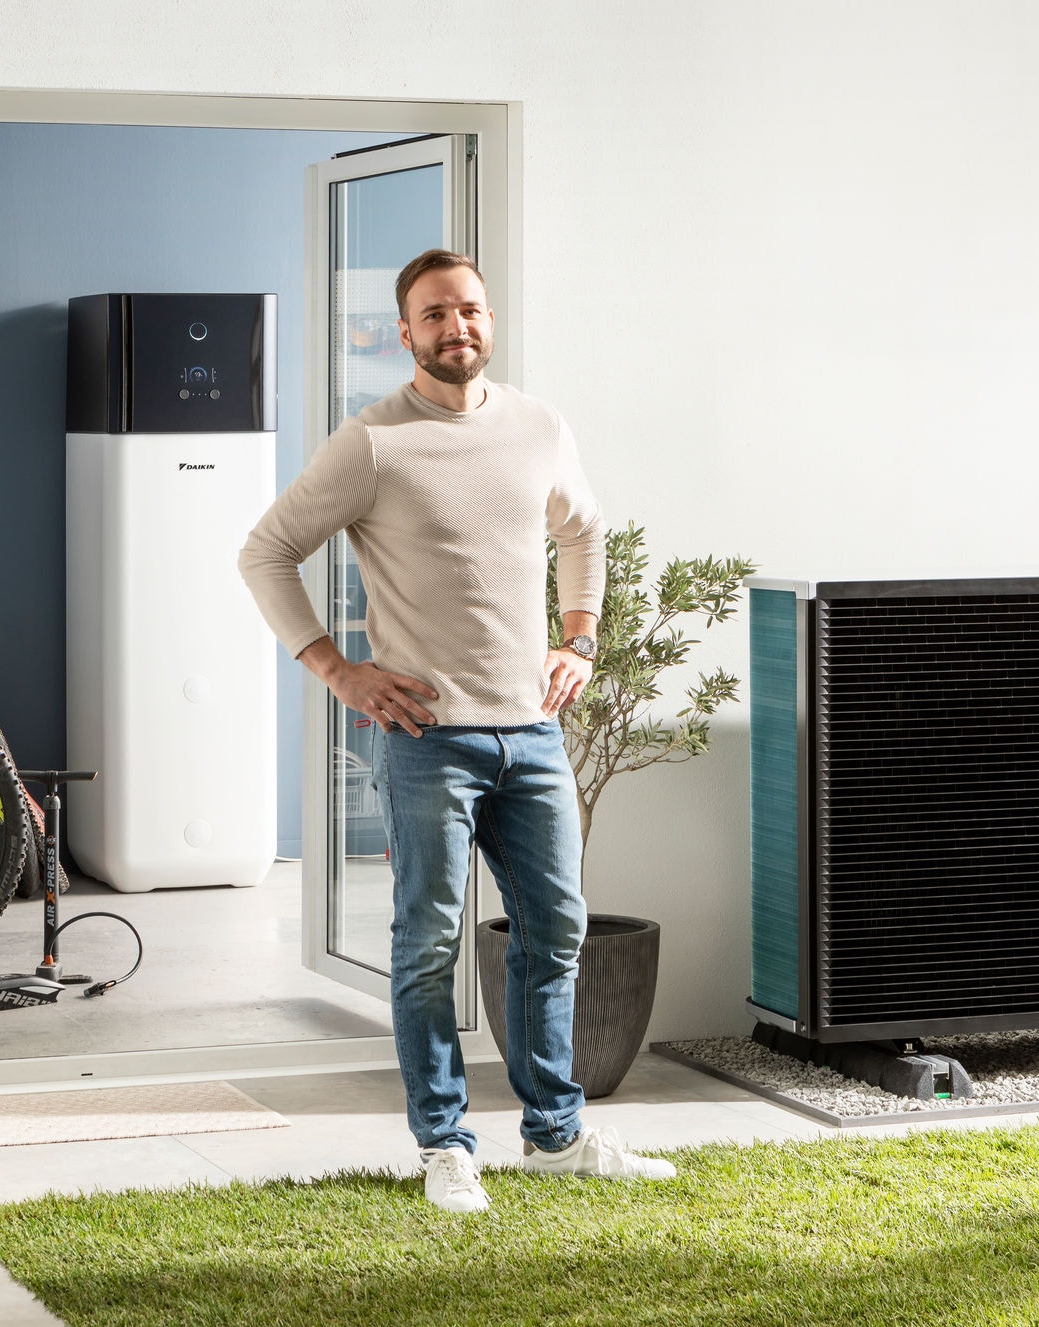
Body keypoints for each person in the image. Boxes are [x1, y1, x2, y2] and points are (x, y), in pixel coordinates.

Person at [237, 249, 677, 1212]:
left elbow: (584, 530)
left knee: (555, 930)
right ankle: (444, 1143)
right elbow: (266, 550)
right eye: (435, 314)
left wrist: (582, 640)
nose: (457, 327)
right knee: (427, 942)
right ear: (407, 332)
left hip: (532, 733)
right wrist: (334, 666)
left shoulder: (537, 428)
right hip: (428, 738)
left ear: (489, 320)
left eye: (469, 310)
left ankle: (554, 1135)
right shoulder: (374, 444)